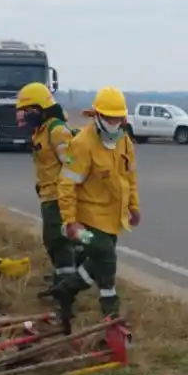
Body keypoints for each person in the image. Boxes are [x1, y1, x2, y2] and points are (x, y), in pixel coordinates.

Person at [49, 86, 142, 331]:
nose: (115, 122)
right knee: (106, 256)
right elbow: (66, 184)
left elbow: (129, 177)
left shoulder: (124, 141)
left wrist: (134, 206)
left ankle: (65, 290)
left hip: (112, 218)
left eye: (118, 118)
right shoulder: (81, 144)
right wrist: (70, 221)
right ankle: (110, 313)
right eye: (110, 117)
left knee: (99, 260)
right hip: (85, 221)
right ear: (97, 116)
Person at [15, 82, 77, 288]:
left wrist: (67, 196)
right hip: (47, 195)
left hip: (59, 197)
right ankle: (64, 274)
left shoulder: (57, 130)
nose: (23, 115)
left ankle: (66, 285)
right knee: (52, 241)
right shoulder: (39, 131)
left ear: (40, 108)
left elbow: (72, 168)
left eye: (27, 110)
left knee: (58, 242)